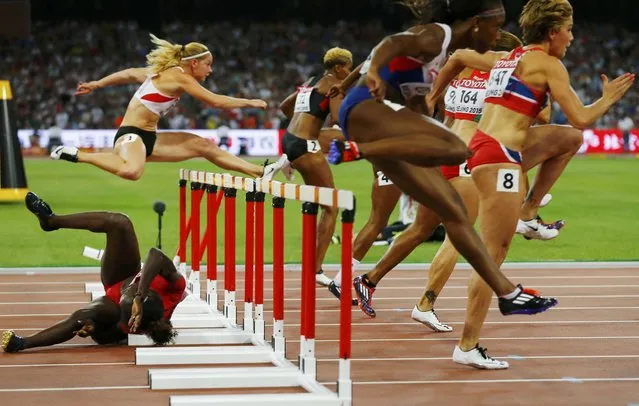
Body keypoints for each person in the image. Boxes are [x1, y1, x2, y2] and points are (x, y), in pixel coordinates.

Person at [425, 0, 634, 366]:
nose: (571, 37)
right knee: (493, 253)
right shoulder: (549, 64)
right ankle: (467, 346)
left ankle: (529, 210)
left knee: (568, 140)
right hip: (499, 157)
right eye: (568, 29)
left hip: (487, 147)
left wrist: (432, 98)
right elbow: (582, 117)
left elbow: (457, 56)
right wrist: (608, 99)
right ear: (553, 32)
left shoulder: (511, 57)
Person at [329, 0, 558, 318]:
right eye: (495, 27)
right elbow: (394, 41)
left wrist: (425, 130)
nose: (496, 36)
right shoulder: (439, 35)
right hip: (367, 110)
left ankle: (507, 293)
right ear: (477, 22)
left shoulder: (441, 61)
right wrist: (369, 73)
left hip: (382, 122)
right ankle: (356, 151)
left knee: (453, 214)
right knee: (456, 148)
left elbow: (417, 104)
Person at [50, 34, 288, 181]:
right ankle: (78, 154)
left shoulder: (163, 73)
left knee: (203, 145)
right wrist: (250, 102)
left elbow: (131, 73)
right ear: (194, 63)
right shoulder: (180, 76)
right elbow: (215, 101)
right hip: (130, 136)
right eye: (208, 65)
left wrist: (97, 84)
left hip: (150, 138)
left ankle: (260, 172)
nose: (210, 70)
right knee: (132, 172)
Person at [1, 192, 185, 353]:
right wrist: (139, 294)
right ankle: (51, 221)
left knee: (81, 317)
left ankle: (23, 343)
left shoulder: (126, 321)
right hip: (128, 273)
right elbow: (156, 255)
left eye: (124, 297)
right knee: (120, 222)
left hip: (113, 289)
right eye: (129, 290)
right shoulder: (173, 289)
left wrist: (93, 328)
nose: (125, 289)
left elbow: (105, 338)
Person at [279, 48, 354, 289]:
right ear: (339, 68)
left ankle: (287, 160)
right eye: (349, 69)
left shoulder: (310, 82)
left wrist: (307, 122)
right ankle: (315, 269)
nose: (350, 73)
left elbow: (283, 107)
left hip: (290, 139)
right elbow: (338, 116)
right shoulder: (333, 83)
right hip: (305, 145)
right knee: (331, 206)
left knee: (316, 200)